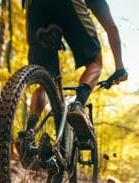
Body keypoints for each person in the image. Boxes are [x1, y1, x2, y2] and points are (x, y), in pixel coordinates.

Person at [24, 0, 128, 141]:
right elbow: (111, 27)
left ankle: (28, 134)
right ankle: (78, 105)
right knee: (95, 61)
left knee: (46, 81)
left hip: (33, 7)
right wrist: (119, 68)